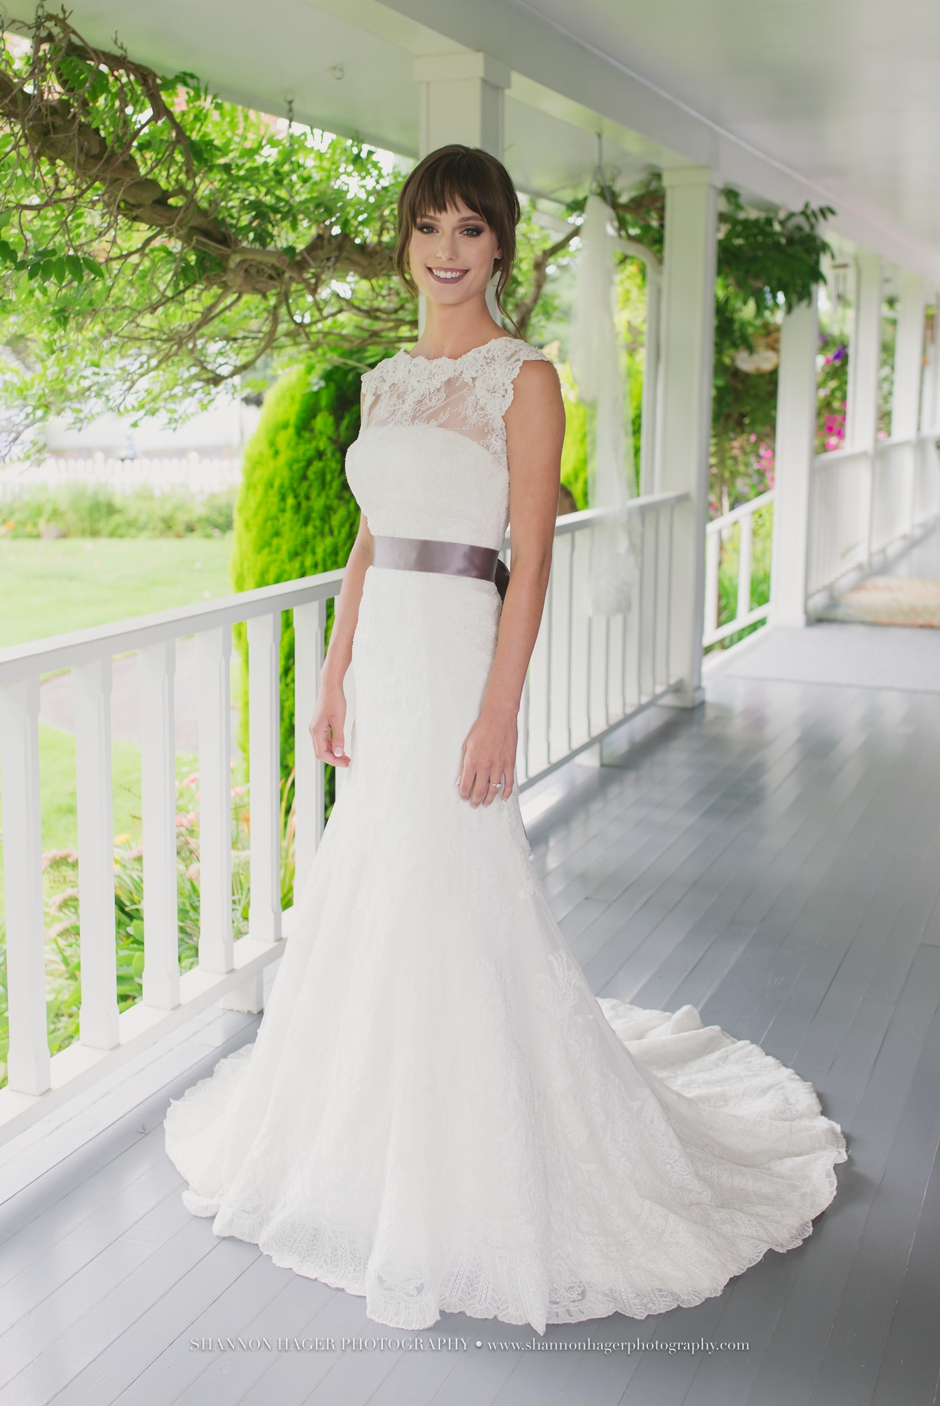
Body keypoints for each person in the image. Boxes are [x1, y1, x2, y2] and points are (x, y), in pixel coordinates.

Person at [164, 144, 846, 1335]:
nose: (444, 251)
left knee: (457, 884)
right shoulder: (382, 380)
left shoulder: (523, 377)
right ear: (405, 239)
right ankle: (368, 1130)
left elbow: (527, 553)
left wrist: (500, 705)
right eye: (427, 227)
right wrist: (331, 673)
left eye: (468, 230)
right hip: (384, 665)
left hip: (460, 656)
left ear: (500, 245)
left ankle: (474, 1160)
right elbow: (369, 543)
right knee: (379, 880)